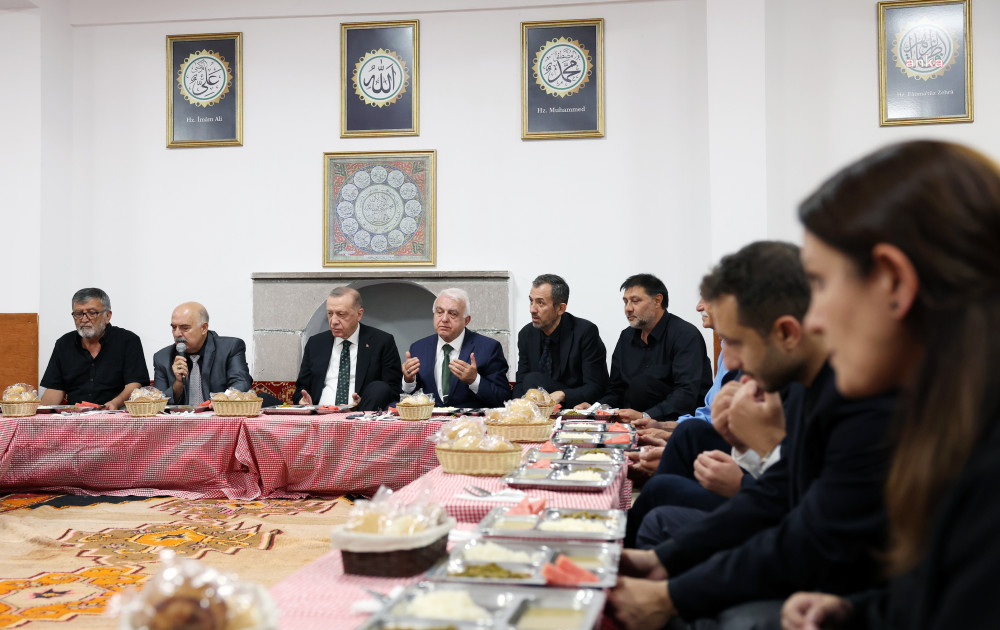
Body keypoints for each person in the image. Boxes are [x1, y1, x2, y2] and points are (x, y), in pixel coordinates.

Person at [608, 241, 897, 629]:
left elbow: (812, 534)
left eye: (736, 343)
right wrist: (663, 559)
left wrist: (672, 596)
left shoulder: (856, 393)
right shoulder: (814, 382)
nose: (735, 365)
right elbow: (776, 494)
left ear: (786, 333)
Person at [779, 141, 1000, 630]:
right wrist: (854, 614)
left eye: (819, 283)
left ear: (894, 281)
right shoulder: (950, 421)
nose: (812, 320)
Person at [576, 273, 712, 423]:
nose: (628, 308)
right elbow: (616, 389)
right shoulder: (626, 337)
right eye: (625, 302)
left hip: (675, 424)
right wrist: (597, 408)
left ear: (657, 301)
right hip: (631, 425)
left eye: (635, 301)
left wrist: (646, 416)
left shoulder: (685, 334)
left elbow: (686, 393)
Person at [294, 287, 402, 410]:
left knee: (379, 388)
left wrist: (362, 403)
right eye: (330, 314)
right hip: (320, 414)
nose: (333, 321)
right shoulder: (316, 343)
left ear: (359, 314)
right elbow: (301, 388)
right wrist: (302, 400)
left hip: (361, 415)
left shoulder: (382, 342)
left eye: (341, 314)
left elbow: (393, 391)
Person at [39, 287, 148, 409]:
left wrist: (115, 403)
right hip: (75, 417)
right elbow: (55, 388)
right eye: (78, 314)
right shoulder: (64, 344)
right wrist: (40, 413)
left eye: (92, 313)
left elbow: (134, 384)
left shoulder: (128, 341)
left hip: (117, 414)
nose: (84, 319)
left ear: (107, 316)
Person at [402, 288, 511, 408]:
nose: (444, 319)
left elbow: (503, 398)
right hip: (430, 422)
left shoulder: (488, 348)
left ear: (466, 320)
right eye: (439, 312)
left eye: (452, 314)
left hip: (470, 423)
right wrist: (409, 380)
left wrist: (474, 380)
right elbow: (407, 398)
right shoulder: (418, 348)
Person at [510, 274, 608, 407]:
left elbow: (596, 387)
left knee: (532, 378)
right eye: (531, 301)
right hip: (538, 408)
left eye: (540, 303)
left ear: (560, 308)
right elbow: (521, 382)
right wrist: (517, 407)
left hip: (574, 405)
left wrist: (563, 394)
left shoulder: (585, 332)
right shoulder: (526, 334)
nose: (532, 309)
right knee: (528, 381)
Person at [152, 302, 252, 404]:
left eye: (185, 328)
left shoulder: (230, 348)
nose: (177, 333)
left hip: (218, 417)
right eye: (174, 327)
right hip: (181, 419)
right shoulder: (162, 358)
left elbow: (241, 384)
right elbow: (157, 402)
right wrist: (178, 384)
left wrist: (217, 401)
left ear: (204, 328)